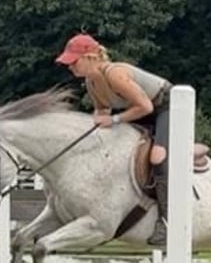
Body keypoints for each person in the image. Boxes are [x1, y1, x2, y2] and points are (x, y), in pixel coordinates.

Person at [55, 33, 173, 246]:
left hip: (167, 107)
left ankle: (166, 221)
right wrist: (97, 121)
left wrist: (115, 119)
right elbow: (102, 110)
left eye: (74, 61)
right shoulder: (91, 82)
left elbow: (145, 106)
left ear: (90, 57)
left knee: (157, 156)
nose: (70, 67)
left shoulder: (115, 74)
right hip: (143, 111)